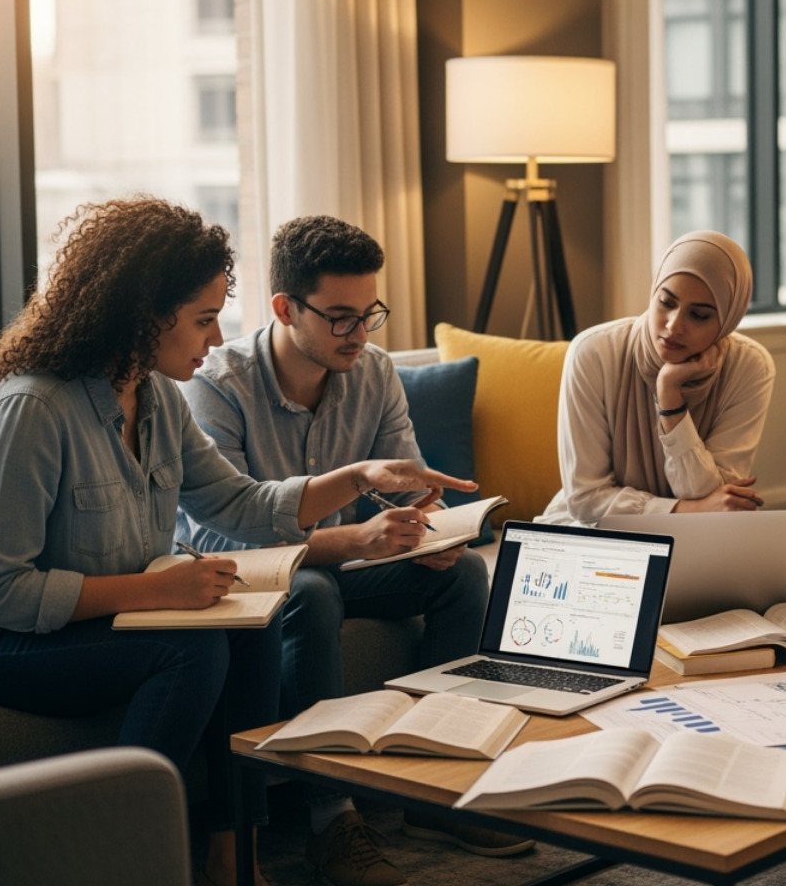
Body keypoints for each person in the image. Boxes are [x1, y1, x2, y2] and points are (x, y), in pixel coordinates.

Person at [0, 198, 474, 886]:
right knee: (189, 649)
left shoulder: (155, 397)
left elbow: (238, 501)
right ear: (141, 315)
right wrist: (156, 589)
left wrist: (358, 476)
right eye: (202, 319)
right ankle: (122, 860)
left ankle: (235, 860)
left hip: (63, 622)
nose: (217, 336)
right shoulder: (34, 410)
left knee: (257, 623)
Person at [176, 215, 525, 885]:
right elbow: (217, 535)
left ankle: (434, 785)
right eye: (340, 318)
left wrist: (431, 533)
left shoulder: (375, 373)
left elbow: (409, 489)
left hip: (346, 565)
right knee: (310, 590)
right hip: (247, 580)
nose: (360, 335)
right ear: (285, 308)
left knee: (463, 580)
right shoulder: (218, 384)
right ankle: (330, 818)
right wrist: (352, 540)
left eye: (370, 315)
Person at [538, 230, 775, 525]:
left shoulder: (749, 366)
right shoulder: (593, 353)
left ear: (727, 320)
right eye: (666, 302)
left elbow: (714, 499)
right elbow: (586, 499)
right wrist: (684, 510)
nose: (674, 326)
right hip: (601, 532)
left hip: (698, 535)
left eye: (699, 315)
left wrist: (670, 399)